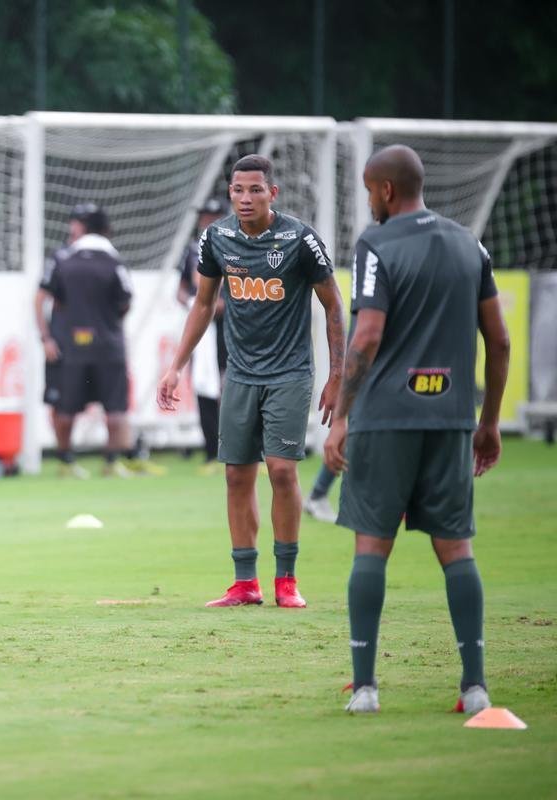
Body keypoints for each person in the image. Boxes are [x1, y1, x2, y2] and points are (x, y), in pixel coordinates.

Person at [323, 144, 509, 716]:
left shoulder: (375, 244)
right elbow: (498, 340)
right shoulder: (469, 244)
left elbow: (368, 334)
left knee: (371, 547)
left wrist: (345, 415)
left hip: (387, 418)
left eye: (366, 190)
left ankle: (366, 689)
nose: (367, 201)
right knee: (456, 549)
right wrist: (489, 422)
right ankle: (475, 687)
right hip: (451, 418)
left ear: (383, 190)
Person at [158, 154, 345, 609]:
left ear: (272, 193)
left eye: (255, 190)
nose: (245, 198)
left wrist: (338, 374)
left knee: (281, 470)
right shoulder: (216, 238)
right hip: (240, 374)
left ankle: (286, 578)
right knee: (236, 475)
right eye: (238, 190)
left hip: (290, 373)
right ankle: (245, 582)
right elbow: (203, 305)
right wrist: (175, 365)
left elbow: (334, 305)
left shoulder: (300, 239)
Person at [44, 204, 134, 477]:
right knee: (115, 407)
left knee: (65, 407)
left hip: (72, 346)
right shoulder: (114, 262)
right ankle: (111, 462)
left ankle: (66, 462)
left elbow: (50, 299)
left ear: (81, 228)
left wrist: (48, 336)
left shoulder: (63, 261)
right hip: (109, 345)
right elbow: (127, 301)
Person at [177, 197, 228, 465]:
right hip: (204, 327)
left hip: (231, 326)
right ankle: (211, 450)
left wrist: (224, 305)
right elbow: (182, 290)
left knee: (233, 385)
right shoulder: (191, 251)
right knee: (204, 384)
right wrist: (196, 304)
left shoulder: (238, 245)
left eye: (212, 216)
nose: (206, 221)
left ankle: (240, 448)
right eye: (203, 217)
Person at [34, 206, 83, 476]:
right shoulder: (60, 259)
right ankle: (64, 457)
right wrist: (46, 338)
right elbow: (39, 299)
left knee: (78, 400)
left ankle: (108, 457)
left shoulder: (99, 257)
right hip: (61, 342)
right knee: (58, 401)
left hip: (88, 345)